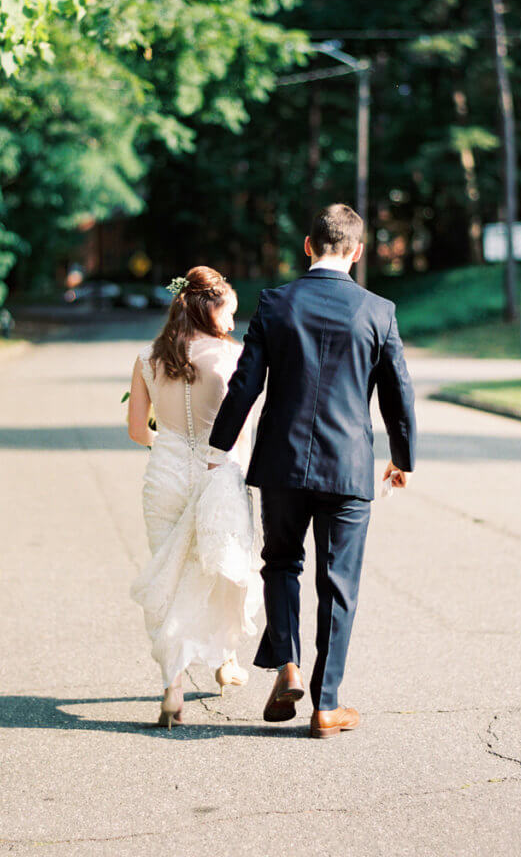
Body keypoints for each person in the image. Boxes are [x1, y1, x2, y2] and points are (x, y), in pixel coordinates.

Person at [209, 204, 417, 739]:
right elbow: (399, 395)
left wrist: (217, 446)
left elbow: (245, 384)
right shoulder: (379, 311)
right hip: (348, 468)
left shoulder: (277, 303)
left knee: (280, 563)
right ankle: (326, 706)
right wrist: (403, 457)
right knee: (338, 584)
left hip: (281, 463)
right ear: (358, 250)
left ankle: (288, 667)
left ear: (308, 246)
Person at [127, 266, 261, 729]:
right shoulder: (231, 357)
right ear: (211, 308)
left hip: (163, 476)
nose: (232, 321)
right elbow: (241, 431)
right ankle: (226, 658)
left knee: (169, 575)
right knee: (221, 571)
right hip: (216, 474)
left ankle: (173, 687)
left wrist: (169, 444)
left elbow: (136, 430)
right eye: (229, 312)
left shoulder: (147, 357)